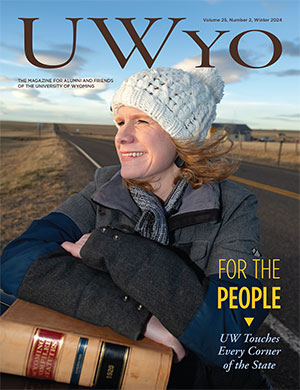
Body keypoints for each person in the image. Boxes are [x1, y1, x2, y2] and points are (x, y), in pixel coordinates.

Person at [1, 67, 271, 389]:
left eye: (141, 121)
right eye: (120, 122)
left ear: (181, 136)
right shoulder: (103, 190)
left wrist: (113, 248)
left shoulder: (234, 206)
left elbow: (231, 329)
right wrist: (141, 320)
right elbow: (16, 260)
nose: (122, 136)